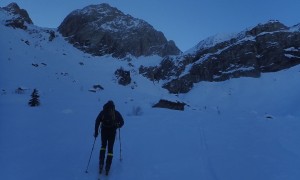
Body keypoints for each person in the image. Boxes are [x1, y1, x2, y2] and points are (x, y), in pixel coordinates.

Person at [94, 100, 124, 175]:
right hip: (112, 132)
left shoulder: (103, 112)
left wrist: (96, 132)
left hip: (104, 131)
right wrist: (117, 126)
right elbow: (122, 122)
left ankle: (101, 163)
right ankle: (107, 166)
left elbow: (97, 120)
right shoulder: (115, 112)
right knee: (110, 149)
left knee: (103, 146)